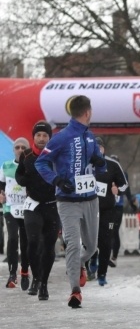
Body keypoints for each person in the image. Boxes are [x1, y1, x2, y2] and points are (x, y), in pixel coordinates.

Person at [35, 95, 107, 308]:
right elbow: (41, 163)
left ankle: (80, 263)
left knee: (92, 247)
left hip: (90, 199)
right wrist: (57, 180)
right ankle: (74, 291)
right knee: (73, 244)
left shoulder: (91, 137)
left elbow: (100, 168)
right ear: (87, 113)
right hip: (67, 200)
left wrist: (100, 161)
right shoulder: (61, 137)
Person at [16, 121, 58, 300]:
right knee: (32, 242)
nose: (41, 139)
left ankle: (44, 284)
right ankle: (36, 278)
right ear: (33, 137)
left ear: (50, 138)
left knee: (49, 246)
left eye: (45, 135)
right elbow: (19, 175)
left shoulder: (55, 155)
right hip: (32, 205)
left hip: (51, 205)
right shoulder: (26, 155)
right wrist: (23, 180)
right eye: (38, 135)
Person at [92, 139, 130, 286]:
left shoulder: (113, 165)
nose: (96, 150)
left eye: (99, 147)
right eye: (93, 147)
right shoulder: (84, 164)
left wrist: (118, 190)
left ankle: (102, 273)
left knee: (106, 241)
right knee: (89, 240)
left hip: (107, 209)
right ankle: (92, 259)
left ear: (103, 149)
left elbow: (125, 185)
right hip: (89, 209)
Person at [0, 137, 30, 289]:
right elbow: (1, 184)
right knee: (12, 238)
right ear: (13, 150)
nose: (20, 150)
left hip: (27, 209)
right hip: (10, 208)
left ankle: (24, 270)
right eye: (17, 147)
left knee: (25, 241)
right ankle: (12, 274)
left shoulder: (32, 166)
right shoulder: (6, 166)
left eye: (23, 148)